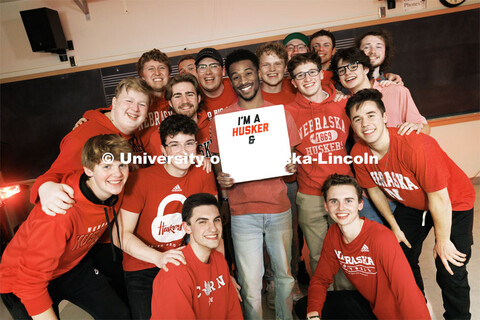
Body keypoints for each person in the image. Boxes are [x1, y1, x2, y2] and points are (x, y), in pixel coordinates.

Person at [347, 88, 475, 319]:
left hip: (453, 202)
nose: (365, 123)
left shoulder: (416, 145)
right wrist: (394, 226)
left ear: (385, 117)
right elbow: (373, 190)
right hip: (414, 204)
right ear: (353, 126)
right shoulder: (359, 152)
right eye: (358, 118)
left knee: (450, 267)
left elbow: (439, 198)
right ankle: (418, 311)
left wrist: (442, 241)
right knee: (400, 257)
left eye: (371, 115)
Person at [210, 49, 300, 320]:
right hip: (242, 213)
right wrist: (222, 180)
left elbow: (291, 170)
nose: (243, 80)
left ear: (259, 74)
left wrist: (291, 168)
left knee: (284, 276)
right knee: (250, 285)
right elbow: (219, 163)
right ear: (231, 81)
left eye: (248, 72)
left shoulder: (279, 115)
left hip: (278, 208)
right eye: (235, 76)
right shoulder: (223, 120)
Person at [0, 134, 132, 320]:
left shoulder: (115, 188)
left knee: (119, 315)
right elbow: (29, 283)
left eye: (122, 165)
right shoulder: (61, 212)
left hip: (71, 267)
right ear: (89, 170)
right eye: (107, 166)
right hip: (22, 279)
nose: (117, 174)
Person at [115, 114, 217, 319]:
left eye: (188, 144)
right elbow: (120, 235)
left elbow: (212, 229)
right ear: (163, 150)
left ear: (196, 146)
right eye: (174, 145)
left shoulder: (203, 172)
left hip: (182, 261)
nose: (182, 152)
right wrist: (159, 258)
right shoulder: (140, 180)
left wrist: (219, 272)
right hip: (141, 266)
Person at [302, 174, 430, 320]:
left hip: (399, 314)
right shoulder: (334, 234)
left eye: (348, 200)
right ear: (326, 206)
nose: (341, 207)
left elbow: (407, 292)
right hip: (372, 307)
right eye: (334, 201)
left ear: (360, 204)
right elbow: (320, 279)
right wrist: (313, 315)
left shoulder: (381, 238)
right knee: (305, 306)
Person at [285, 52, 352, 276]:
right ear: (293, 82)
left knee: (348, 252)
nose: (307, 78)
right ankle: (325, 304)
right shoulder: (287, 113)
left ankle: (350, 304)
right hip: (310, 193)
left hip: (344, 190)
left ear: (321, 74)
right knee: (317, 255)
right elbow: (285, 153)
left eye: (312, 72)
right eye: (300, 75)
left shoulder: (343, 103)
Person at [151, 193, 243, 319]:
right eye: (202, 222)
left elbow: (233, 313)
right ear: (187, 227)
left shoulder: (220, 260)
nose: (213, 228)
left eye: (216, 220)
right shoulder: (174, 273)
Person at [330, 47, 430, 136]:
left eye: (353, 67)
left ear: (365, 69)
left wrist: (418, 127)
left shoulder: (396, 91)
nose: (348, 73)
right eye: (341, 70)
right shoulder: (343, 104)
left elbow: (425, 128)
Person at [144, 74, 212, 159]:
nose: (185, 101)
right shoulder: (158, 137)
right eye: (178, 96)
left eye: (190, 94)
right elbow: (162, 171)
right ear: (170, 103)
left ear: (198, 98)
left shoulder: (214, 126)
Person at [195, 47, 238, 119]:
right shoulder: (191, 96)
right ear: (197, 73)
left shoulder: (236, 85)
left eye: (214, 66)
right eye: (202, 67)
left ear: (223, 71)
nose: (208, 72)